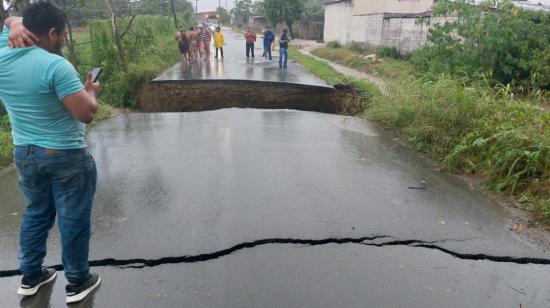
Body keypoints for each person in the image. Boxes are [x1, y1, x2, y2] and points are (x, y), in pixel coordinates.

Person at [0, 1, 101, 304]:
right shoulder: (55, 65)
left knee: (35, 214)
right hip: (65, 155)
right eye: (63, 35)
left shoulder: (2, 59)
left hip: (25, 155)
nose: (63, 41)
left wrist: (14, 23)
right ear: (53, 32)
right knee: (72, 219)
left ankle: (31, 277)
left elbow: (9, 20)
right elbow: (85, 113)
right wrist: (91, 93)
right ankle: (77, 282)